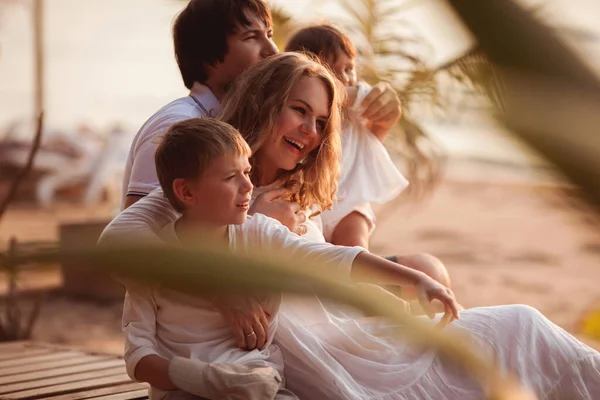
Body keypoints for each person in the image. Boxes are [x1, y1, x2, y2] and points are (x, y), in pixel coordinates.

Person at [104, 52, 600, 399]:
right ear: (263, 103)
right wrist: (221, 286)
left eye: (321, 121)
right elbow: (118, 245)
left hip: (346, 341)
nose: (311, 131)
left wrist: (408, 285)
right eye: (299, 110)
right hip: (302, 364)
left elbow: (333, 259)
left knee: (520, 325)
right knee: (517, 329)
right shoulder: (204, 182)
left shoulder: (296, 197)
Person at [109, 117, 459, 400]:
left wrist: (415, 279)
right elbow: (138, 359)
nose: (248, 187)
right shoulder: (154, 262)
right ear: (186, 192)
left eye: (247, 172)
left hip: (265, 387)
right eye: (232, 177)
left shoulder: (257, 233)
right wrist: (202, 379)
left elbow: (329, 257)